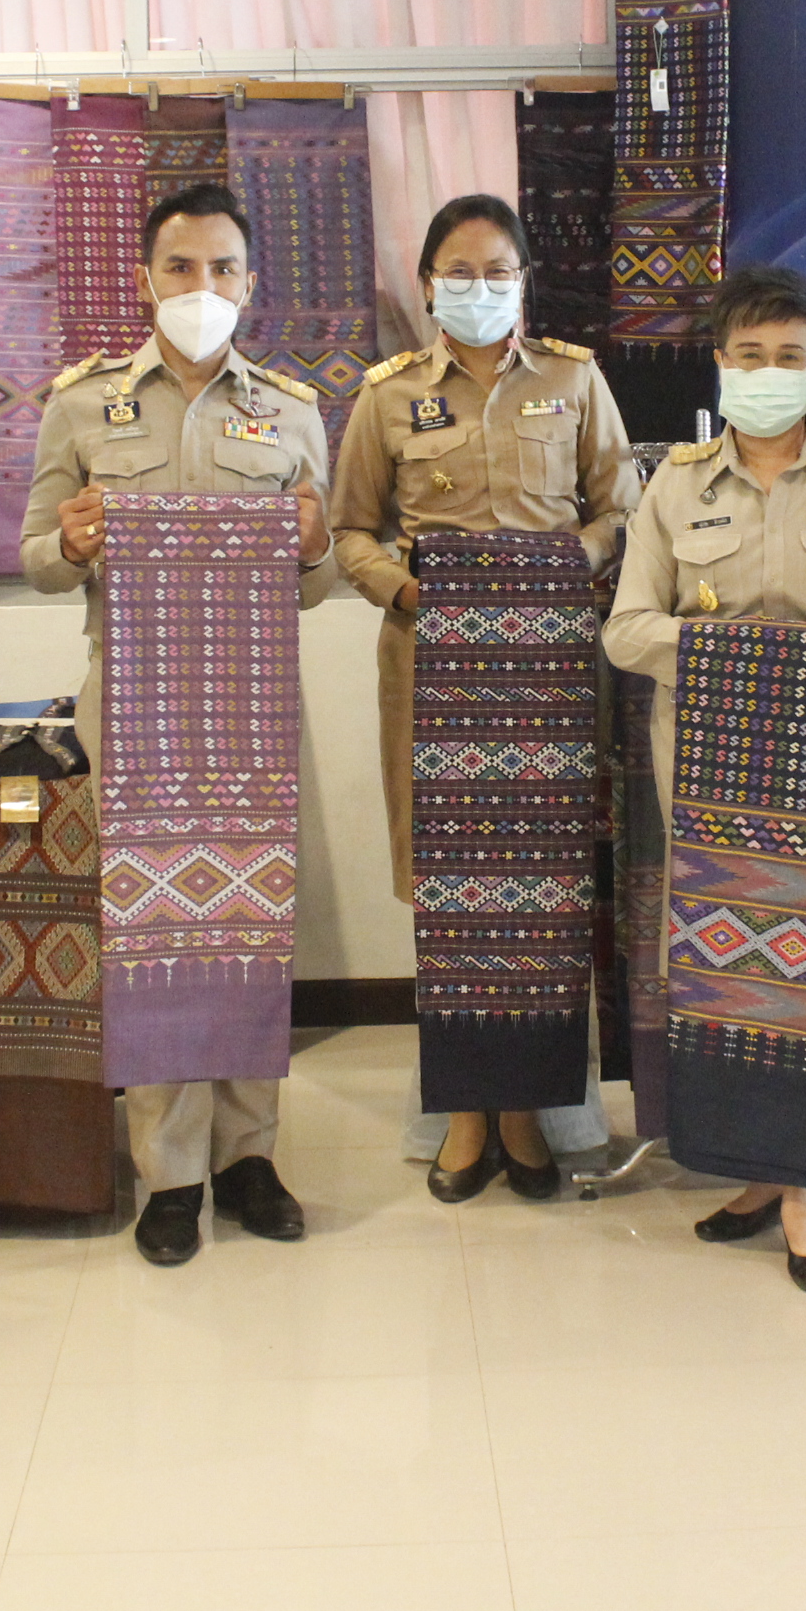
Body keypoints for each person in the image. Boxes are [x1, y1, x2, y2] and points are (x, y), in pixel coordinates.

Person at [603, 265, 806, 1291]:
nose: (768, 372)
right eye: (749, 356)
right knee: (725, 974)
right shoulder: (675, 485)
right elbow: (626, 630)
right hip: (706, 771)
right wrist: (737, 657)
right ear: (722, 363)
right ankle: (757, 1172)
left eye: (789, 356)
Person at [22, 179, 337, 1267]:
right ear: (146, 278)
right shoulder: (82, 405)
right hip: (133, 697)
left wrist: (312, 546)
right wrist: (70, 543)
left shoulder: (292, 411)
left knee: (252, 921)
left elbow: (316, 582)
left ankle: (250, 1157)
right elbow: (35, 557)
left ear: (250, 283)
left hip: (252, 703)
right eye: (181, 267)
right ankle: (169, 1174)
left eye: (222, 268)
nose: (202, 285)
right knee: (150, 927)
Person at [331, 194, 638, 1202]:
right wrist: (408, 592)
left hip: (547, 669)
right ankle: (467, 1115)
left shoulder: (574, 379)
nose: (478, 287)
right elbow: (350, 530)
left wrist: (558, 570)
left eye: (497, 270)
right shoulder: (387, 398)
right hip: (433, 668)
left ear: (523, 279)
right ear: (427, 284)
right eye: (458, 272)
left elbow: (619, 508)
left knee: (542, 893)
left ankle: (526, 1113)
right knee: (453, 892)